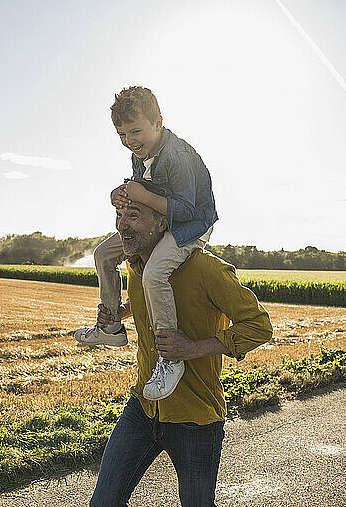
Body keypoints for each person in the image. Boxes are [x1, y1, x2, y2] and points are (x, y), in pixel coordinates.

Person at [88, 200, 273, 507]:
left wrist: (192, 349)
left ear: (162, 223)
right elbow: (148, 302)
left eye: (133, 216)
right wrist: (120, 313)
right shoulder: (137, 267)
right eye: (119, 215)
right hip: (143, 407)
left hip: (195, 418)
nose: (122, 225)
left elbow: (259, 326)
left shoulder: (206, 269)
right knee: (104, 502)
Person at [75, 86, 218, 401]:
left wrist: (142, 195)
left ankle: (170, 356)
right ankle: (111, 326)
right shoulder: (138, 153)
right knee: (102, 255)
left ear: (158, 122)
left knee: (154, 274)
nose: (129, 140)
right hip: (159, 220)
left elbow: (187, 210)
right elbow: (143, 188)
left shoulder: (178, 155)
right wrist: (121, 193)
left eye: (135, 131)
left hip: (191, 227)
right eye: (122, 134)